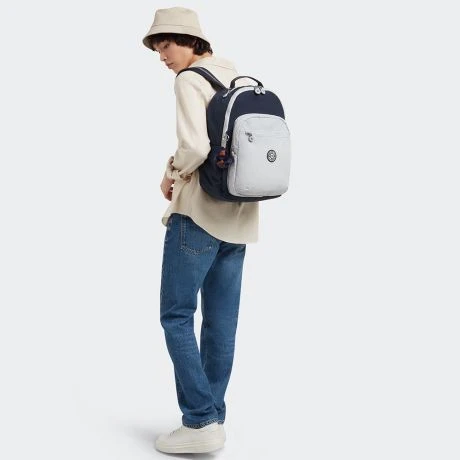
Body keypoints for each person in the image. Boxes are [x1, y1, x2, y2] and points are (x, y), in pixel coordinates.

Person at [142, 6, 259, 454]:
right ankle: (214, 416)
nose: (162, 56)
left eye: (167, 45)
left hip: (198, 214)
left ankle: (200, 420)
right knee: (221, 322)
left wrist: (171, 172)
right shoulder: (235, 75)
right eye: (157, 48)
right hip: (240, 215)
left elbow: (195, 146)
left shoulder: (190, 80)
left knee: (175, 316)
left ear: (190, 41)